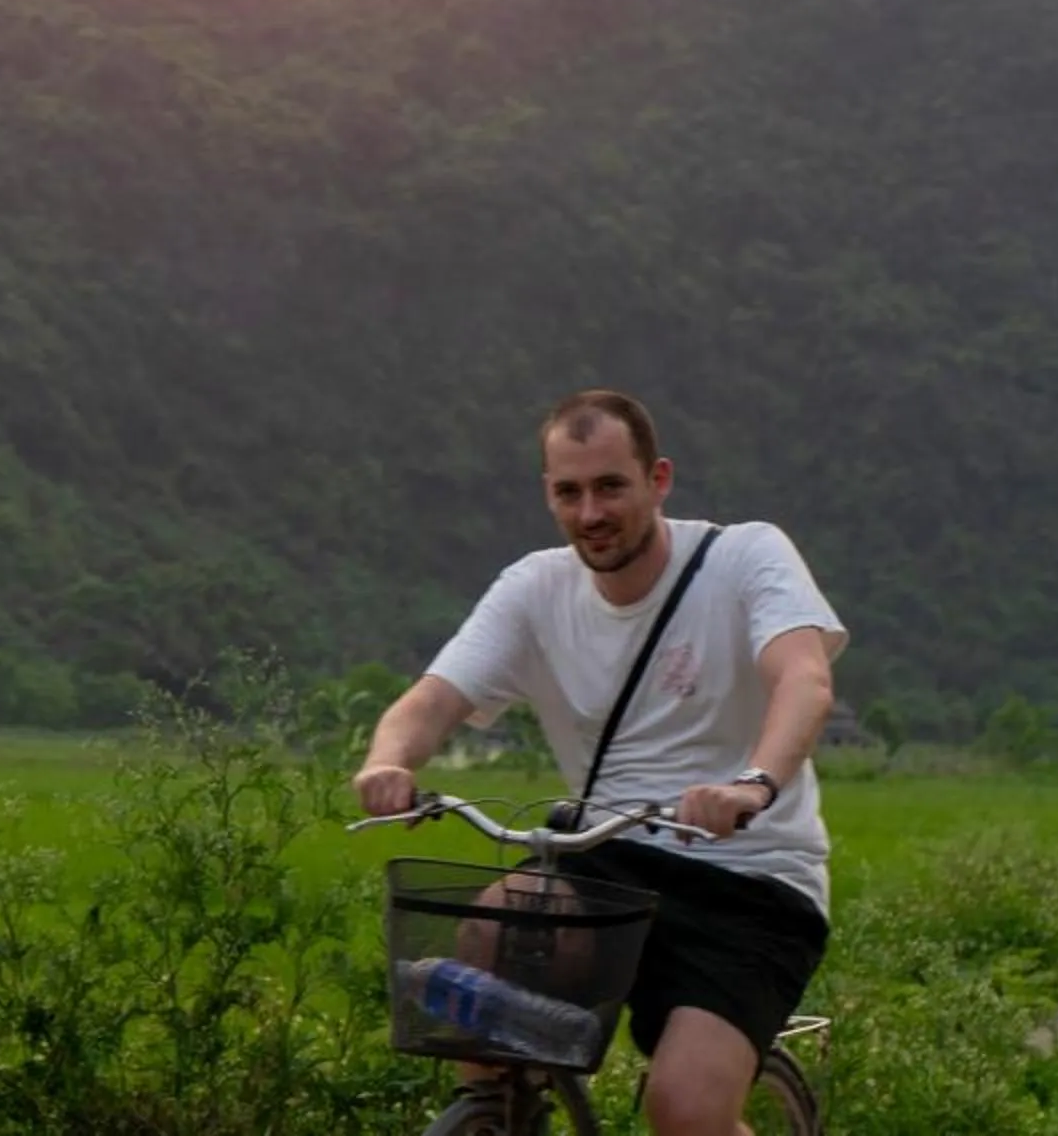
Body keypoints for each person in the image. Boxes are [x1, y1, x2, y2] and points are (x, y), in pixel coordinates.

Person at [356, 389, 845, 1136]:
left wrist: (754, 783)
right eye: (570, 492)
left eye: (611, 486)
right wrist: (387, 763)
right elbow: (430, 700)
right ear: (548, 494)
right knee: (486, 940)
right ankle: (503, 1114)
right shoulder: (535, 588)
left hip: (751, 879)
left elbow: (804, 679)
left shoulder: (746, 556)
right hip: (606, 862)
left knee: (684, 1110)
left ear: (658, 479)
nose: (591, 512)